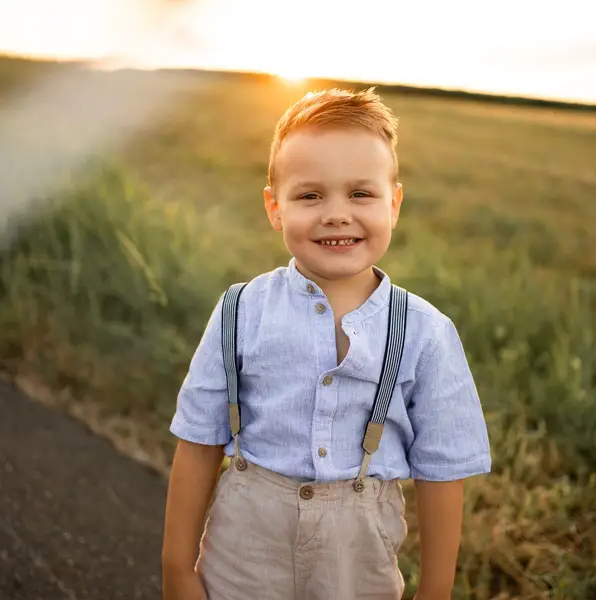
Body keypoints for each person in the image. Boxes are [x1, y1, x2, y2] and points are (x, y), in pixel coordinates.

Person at [161, 87, 491, 600]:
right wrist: (177, 568)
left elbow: (442, 469)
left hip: (355, 561)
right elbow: (199, 441)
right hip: (242, 553)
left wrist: (436, 591)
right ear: (275, 207)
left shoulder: (426, 332)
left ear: (394, 203)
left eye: (360, 194)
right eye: (310, 195)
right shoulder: (240, 309)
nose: (336, 214)